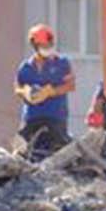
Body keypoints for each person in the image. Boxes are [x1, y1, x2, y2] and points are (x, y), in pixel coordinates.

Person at [15, 24, 75, 160]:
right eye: (44, 45)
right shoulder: (25, 67)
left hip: (55, 117)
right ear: (34, 46)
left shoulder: (62, 63)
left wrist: (51, 92)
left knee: (59, 151)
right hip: (31, 117)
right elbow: (17, 87)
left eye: (49, 45)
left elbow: (70, 85)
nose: (48, 48)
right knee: (20, 150)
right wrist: (25, 92)